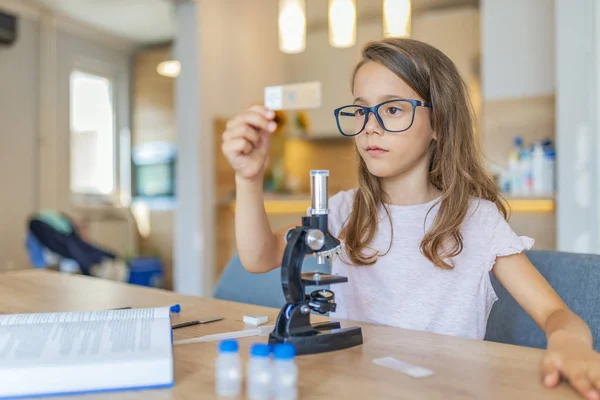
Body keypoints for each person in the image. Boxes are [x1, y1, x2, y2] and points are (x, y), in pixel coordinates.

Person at [221, 38, 600, 399]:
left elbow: (555, 313)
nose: (370, 125)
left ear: (438, 123)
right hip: (351, 387)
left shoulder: (477, 222)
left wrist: (569, 342)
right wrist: (249, 178)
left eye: (392, 109)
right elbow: (258, 257)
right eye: (360, 109)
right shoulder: (341, 212)